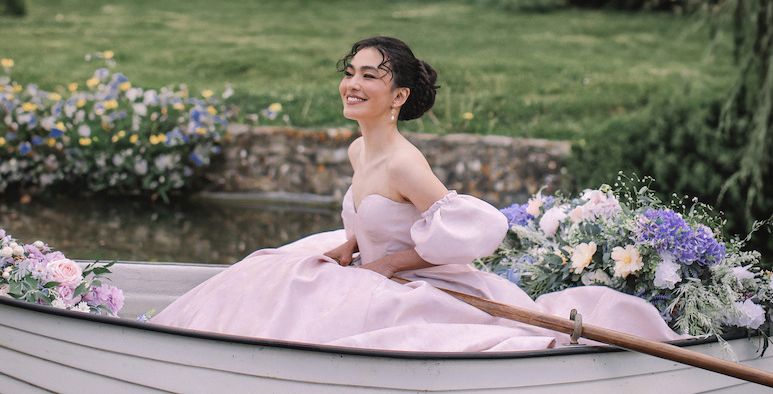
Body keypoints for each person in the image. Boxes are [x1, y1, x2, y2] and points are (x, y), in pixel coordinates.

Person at [153, 36, 677, 352]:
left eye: (370, 77)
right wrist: (349, 247)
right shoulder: (360, 152)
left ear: (398, 96)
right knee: (270, 272)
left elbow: (473, 233)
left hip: (415, 281)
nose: (352, 84)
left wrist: (388, 265)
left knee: (325, 313)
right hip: (369, 270)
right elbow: (369, 221)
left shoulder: (406, 162)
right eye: (350, 73)